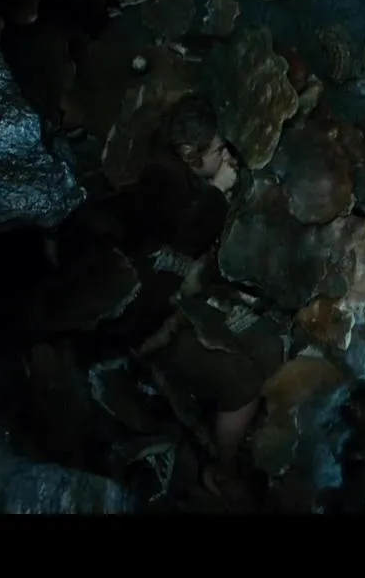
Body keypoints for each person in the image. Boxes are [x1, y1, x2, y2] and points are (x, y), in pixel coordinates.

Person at [108, 95, 264, 507]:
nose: (226, 156)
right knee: (244, 387)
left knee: (259, 343)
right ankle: (222, 469)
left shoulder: (169, 172)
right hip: (147, 322)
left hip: (170, 301)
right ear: (190, 153)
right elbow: (181, 248)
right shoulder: (164, 187)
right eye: (218, 150)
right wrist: (217, 193)